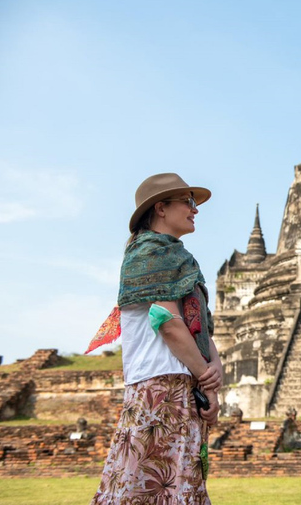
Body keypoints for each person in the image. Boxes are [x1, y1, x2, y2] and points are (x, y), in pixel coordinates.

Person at [90, 173, 223, 504]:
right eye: (188, 202)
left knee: (173, 484)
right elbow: (168, 322)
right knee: (149, 487)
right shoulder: (149, 252)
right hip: (159, 386)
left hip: (178, 383)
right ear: (161, 208)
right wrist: (206, 377)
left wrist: (214, 364)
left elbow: (197, 326)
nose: (195, 210)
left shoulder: (174, 255)